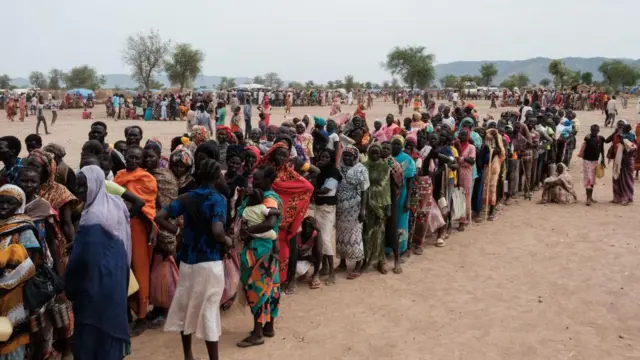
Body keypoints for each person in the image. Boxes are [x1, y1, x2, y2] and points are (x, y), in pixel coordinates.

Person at [155, 159, 229, 360]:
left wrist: (178, 231)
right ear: (216, 177)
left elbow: (160, 217)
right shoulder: (218, 199)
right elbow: (217, 231)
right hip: (210, 262)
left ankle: (188, 354)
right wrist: (227, 240)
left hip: (188, 262)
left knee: (185, 306)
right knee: (209, 310)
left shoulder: (187, 197)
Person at [65, 165, 131, 360]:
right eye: (78, 186)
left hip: (96, 284)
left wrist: (69, 285)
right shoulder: (116, 203)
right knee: (110, 326)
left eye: (84, 186)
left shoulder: (92, 217)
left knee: (92, 334)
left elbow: (85, 261)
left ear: (96, 184)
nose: (80, 191)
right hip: (117, 275)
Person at [236, 165, 281, 348]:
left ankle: (257, 333)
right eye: (253, 179)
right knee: (271, 287)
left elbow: (270, 223)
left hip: (258, 249)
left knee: (257, 289)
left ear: (269, 181)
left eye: (258, 180)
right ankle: (268, 326)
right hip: (270, 247)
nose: (254, 182)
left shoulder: (268, 199)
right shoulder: (270, 197)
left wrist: (248, 232)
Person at [114, 146, 158, 336]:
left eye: (136, 158)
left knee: (140, 269)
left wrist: (129, 211)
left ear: (141, 161)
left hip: (138, 226)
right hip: (118, 226)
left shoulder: (146, 178)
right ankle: (126, 312)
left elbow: (147, 203)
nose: (132, 160)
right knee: (123, 268)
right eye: (129, 157)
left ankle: (141, 316)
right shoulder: (119, 176)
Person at [256, 142, 313, 284]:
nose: (281, 158)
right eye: (279, 155)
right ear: (273, 153)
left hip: (280, 221)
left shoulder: (288, 173)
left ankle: (278, 282)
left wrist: (288, 212)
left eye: (285, 156)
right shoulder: (263, 169)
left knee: (282, 251)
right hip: (261, 215)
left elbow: (308, 187)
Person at [0, 185, 43, 360]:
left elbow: (31, 264)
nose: (3, 207)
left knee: (13, 337)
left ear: (19, 205)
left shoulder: (24, 228)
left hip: (15, 294)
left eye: (10, 203)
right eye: (1, 202)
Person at [143, 140, 179, 328]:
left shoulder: (164, 177)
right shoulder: (146, 175)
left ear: (159, 157)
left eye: (151, 157)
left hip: (165, 226)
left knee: (165, 271)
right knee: (156, 272)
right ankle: (158, 307)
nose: (148, 160)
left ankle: (165, 309)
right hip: (153, 226)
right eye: (145, 157)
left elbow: (166, 205)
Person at [335, 145, 369, 279]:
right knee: (341, 235)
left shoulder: (361, 169)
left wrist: (363, 210)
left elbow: (365, 190)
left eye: (350, 156)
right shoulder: (340, 168)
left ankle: (358, 265)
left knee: (355, 236)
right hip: (341, 208)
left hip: (355, 208)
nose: (347, 158)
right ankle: (343, 262)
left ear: (356, 157)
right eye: (345, 155)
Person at [313, 148, 341, 285]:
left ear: (331, 159)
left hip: (327, 209)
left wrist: (312, 192)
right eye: (321, 156)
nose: (323, 159)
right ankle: (324, 267)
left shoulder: (334, 173)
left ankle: (332, 274)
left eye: (326, 157)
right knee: (320, 237)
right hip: (319, 207)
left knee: (325, 239)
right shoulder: (320, 172)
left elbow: (326, 190)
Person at [363, 143, 391, 273]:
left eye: (377, 153)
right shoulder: (363, 166)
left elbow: (386, 188)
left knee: (380, 233)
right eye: (372, 153)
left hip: (380, 204)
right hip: (366, 204)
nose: (375, 155)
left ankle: (381, 260)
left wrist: (388, 205)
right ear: (368, 153)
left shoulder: (385, 167)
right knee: (367, 234)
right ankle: (366, 260)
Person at [389, 135, 415, 256]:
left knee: (401, 221)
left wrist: (408, 200)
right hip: (387, 195)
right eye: (394, 143)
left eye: (399, 144)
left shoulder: (407, 159)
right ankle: (388, 248)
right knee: (388, 221)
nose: (396, 146)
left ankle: (400, 248)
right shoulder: (386, 157)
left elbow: (410, 181)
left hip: (402, 194)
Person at [285, 216, 323, 293]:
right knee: (297, 267)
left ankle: (316, 274)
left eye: (310, 228)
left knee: (318, 252)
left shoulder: (315, 235)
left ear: (314, 228)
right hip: (300, 258)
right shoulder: (297, 236)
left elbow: (319, 249)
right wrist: (307, 258)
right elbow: (293, 256)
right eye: (305, 227)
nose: (307, 230)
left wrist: (319, 231)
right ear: (302, 226)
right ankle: (292, 280)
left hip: (309, 257)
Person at [455, 129, 476, 230]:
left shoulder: (471, 147)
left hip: (466, 172)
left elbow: (472, 161)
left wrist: (461, 158)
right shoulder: (456, 145)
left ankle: (463, 221)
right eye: (460, 135)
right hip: (457, 171)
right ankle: (456, 217)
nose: (462, 137)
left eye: (464, 135)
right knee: (456, 195)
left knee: (465, 196)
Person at [611, 124, 637, 205]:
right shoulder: (632, 136)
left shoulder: (625, 139)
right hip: (624, 160)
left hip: (626, 161)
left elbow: (629, 149)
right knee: (620, 179)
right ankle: (619, 197)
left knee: (625, 180)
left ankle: (626, 198)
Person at [580, 124, 605, 206]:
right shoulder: (588, 138)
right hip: (587, 161)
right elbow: (585, 139)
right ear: (590, 130)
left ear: (598, 131)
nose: (594, 132)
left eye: (596, 130)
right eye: (593, 130)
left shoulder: (600, 139)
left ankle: (590, 197)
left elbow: (602, 150)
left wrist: (603, 160)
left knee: (592, 180)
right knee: (588, 179)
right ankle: (588, 198)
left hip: (595, 161)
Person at [483, 128, 505, 220]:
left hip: (495, 170)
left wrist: (496, 138)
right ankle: (484, 209)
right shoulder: (485, 142)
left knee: (492, 187)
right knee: (484, 187)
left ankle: (492, 210)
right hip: (486, 169)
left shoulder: (498, 143)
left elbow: (502, 153)